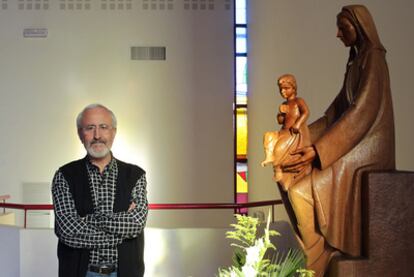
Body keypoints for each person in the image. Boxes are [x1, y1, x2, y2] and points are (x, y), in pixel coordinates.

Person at [280, 5, 395, 276]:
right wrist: (301, 136)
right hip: (354, 140)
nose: (337, 34)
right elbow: (337, 110)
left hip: (370, 144)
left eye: (343, 28)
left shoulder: (374, 59)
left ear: (360, 26)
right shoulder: (356, 60)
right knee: (291, 182)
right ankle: (318, 252)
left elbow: (361, 112)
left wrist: (319, 151)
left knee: (303, 191)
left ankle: (320, 254)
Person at [52, 104, 148, 277]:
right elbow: (68, 231)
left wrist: (88, 220)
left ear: (114, 132)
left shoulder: (136, 175)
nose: (97, 135)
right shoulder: (64, 176)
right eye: (90, 128)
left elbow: (136, 223)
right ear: (80, 134)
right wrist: (121, 235)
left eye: (103, 127)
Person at [261, 74, 311, 190]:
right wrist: (281, 114)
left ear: (293, 88)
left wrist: (298, 124)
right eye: (281, 89)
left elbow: (306, 112)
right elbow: (280, 121)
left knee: (278, 149)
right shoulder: (284, 104)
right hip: (283, 131)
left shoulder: (298, 101)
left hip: (294, 133)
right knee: (268, 136)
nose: (283, 91)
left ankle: (278, 169)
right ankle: (269, 157)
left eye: (286, 88)